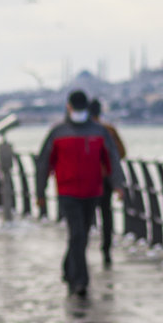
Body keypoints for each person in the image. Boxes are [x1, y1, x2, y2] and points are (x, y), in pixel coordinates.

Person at [35, 89, 124, 299]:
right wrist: (40, 192)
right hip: (67, 192)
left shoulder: (100, 131)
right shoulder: (58, 132)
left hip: (92, 192)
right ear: (69, 107)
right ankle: (80, 282)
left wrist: (118, 185)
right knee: (77, 233)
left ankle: (68, 268)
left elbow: (112, 158)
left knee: (82, 234)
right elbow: (44, 163)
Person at [89, 98, 126, 269]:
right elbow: (121, 153)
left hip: (88, 180)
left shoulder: (82, 130)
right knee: (106, 214)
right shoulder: (109, 129)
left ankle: (82, 247)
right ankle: (106, 249)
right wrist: (118, 183)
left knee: (86, 214)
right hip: (106, 179)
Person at [0, 113, 18, 224]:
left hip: (6, 168)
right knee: (6, 185)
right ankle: (7, 215)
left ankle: (7, 214)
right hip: (5, 169)